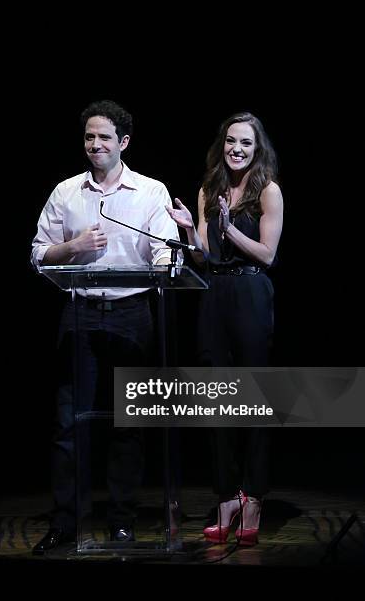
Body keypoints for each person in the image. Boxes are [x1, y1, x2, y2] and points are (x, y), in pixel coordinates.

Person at [30, 100, 181, 554]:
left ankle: (121, 522)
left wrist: (165, 265)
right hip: (79, 313)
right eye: (89, 138)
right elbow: (39, 255)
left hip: (133, 313)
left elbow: (162, 251)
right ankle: (66, 522)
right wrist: (72, 246)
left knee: (127, 425)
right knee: (68, 424)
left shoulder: (149, 191)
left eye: (104, 138)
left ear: (124, 143)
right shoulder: (66, 192)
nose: (95, 146)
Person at [165, 112, 283, 546]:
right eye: (231, 141)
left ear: (257, 149)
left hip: (251, 295)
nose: (237, 149)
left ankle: (254, 497)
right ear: (222, 145)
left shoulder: (267, 191)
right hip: (213, 295)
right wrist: (191, 234)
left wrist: (229, 229)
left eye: (246, 144)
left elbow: (267, 255)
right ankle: (226, 497)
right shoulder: (207, 190)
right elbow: (202, 256)